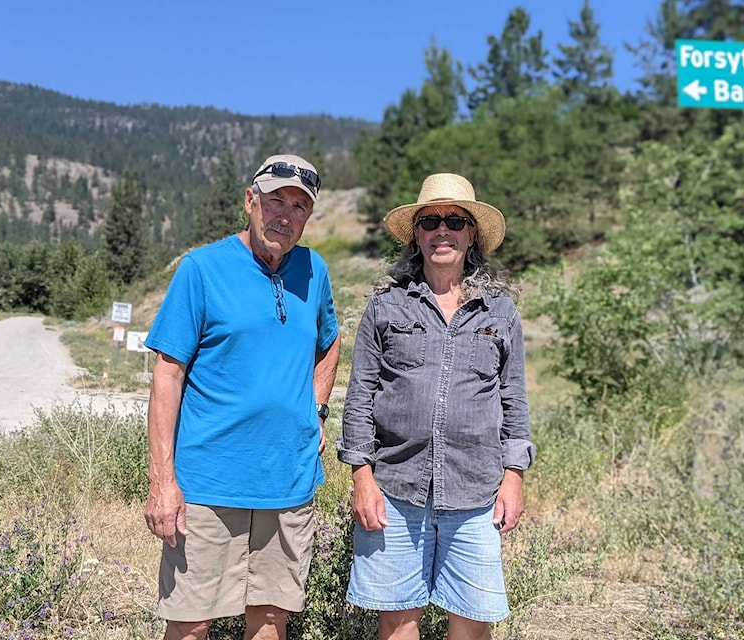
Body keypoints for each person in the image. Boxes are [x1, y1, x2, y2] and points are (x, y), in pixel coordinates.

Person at [144, 154, 341, 640]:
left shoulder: (314, 270)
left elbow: (330, 340)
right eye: (276, 200)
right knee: (191, 621)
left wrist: (316, 408)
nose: (286, 215)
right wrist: (162, 481)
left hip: (288, 481)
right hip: (209, 483)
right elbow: (166, 376)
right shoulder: (202, 269)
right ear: (250, 201)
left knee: (272, 616)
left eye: (299, 206)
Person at [338, 173, 535, 639]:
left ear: (471, 235)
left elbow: (515, 400)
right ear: (416, 235)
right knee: (397, 618)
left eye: (454, 221)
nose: (441, 230)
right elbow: (360, 394)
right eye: (429, 221)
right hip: (394, 488)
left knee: (471, 622)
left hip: (476, 490)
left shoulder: (499, 311)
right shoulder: (386, 305)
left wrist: (514, 478)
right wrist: (362, 480)